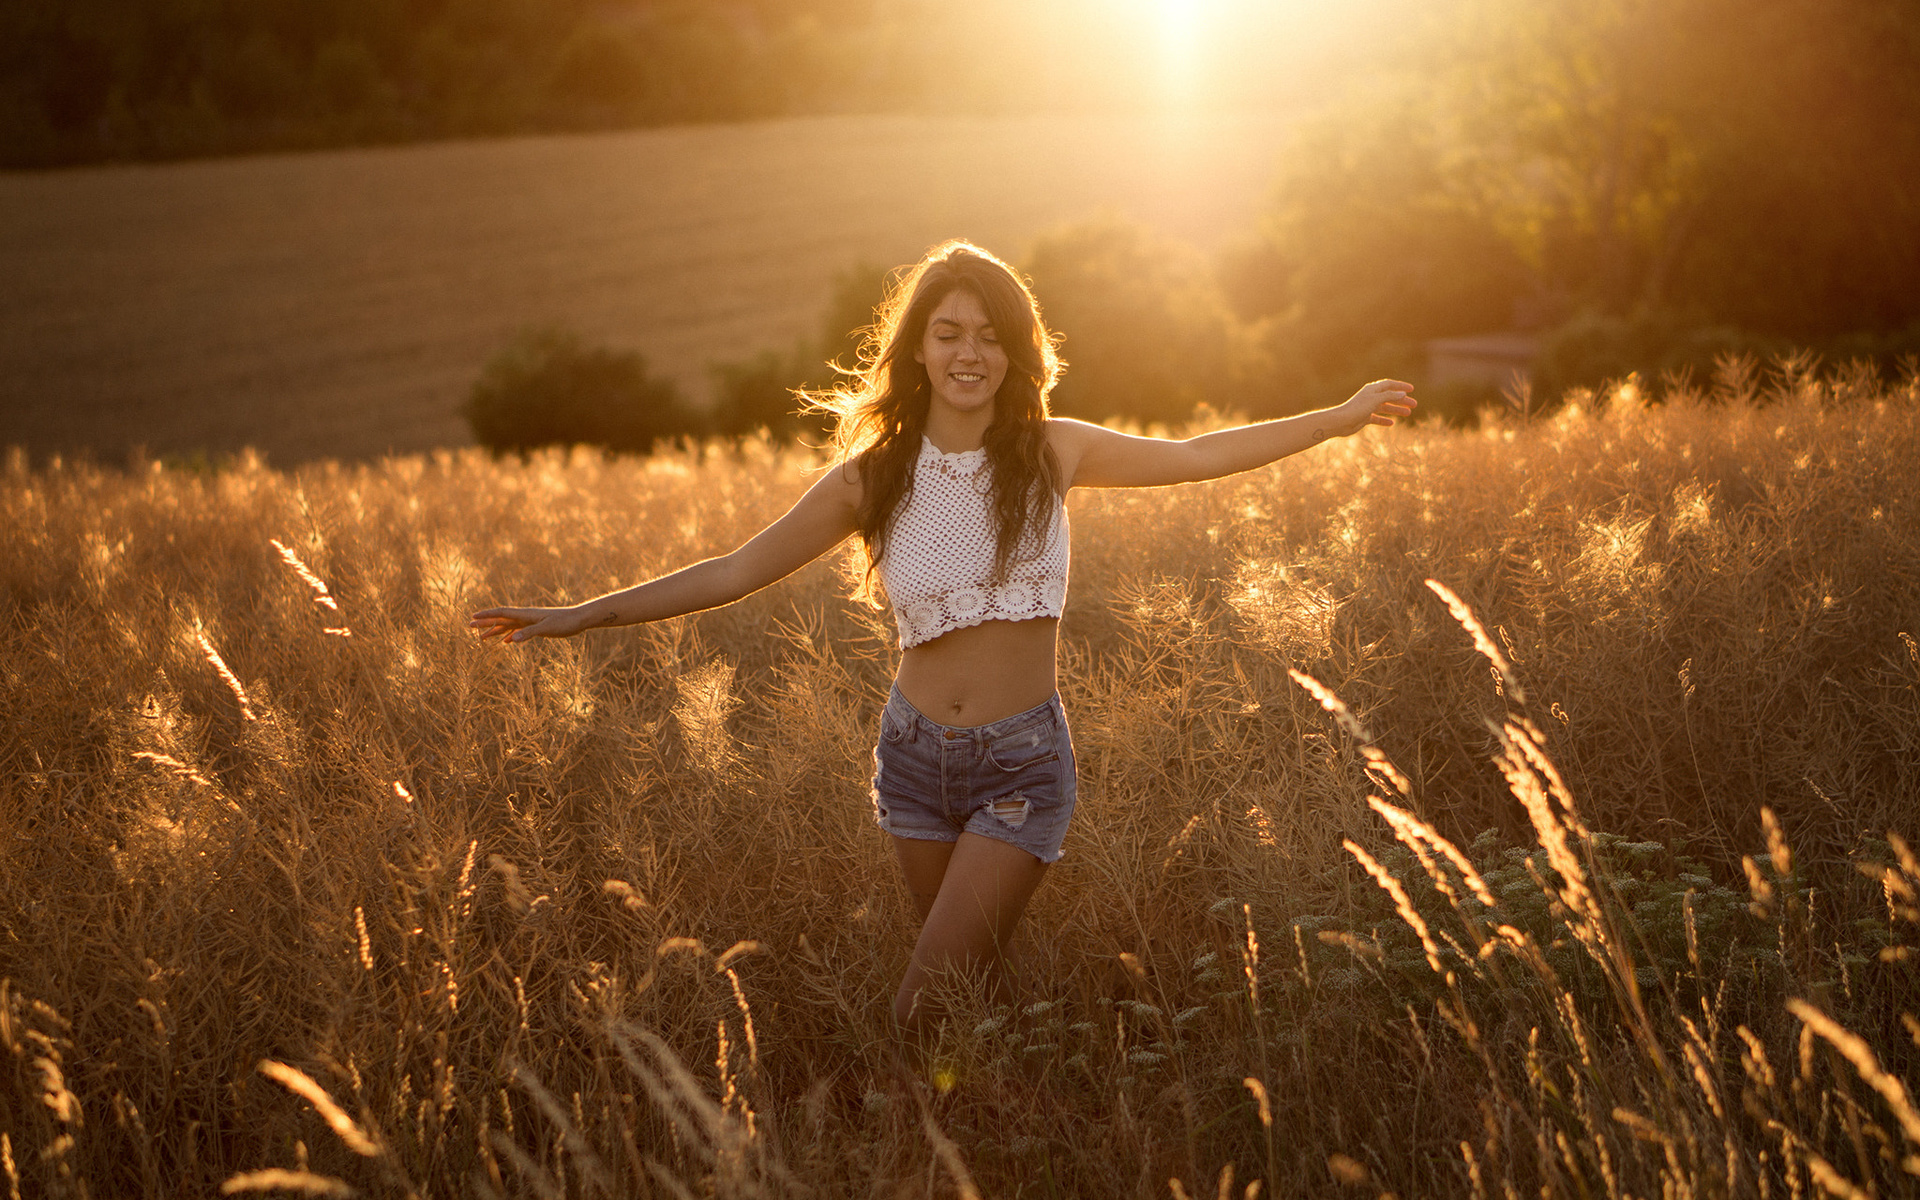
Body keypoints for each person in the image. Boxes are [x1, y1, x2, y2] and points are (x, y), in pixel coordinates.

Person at [470, 240, 1415, 1032]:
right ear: (917, 349)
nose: (972, 352)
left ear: (1017, 354)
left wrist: (1336, 421)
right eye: (950, 332)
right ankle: (998, 1124)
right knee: (965, 994)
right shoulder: (872, 479)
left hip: (1019, 765)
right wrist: (582, 613)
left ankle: (940, 1130)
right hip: (914, 761)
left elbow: (1203, 455)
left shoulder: (1054, 451)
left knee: (917, 1007)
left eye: (992, 336)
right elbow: (732, 571)